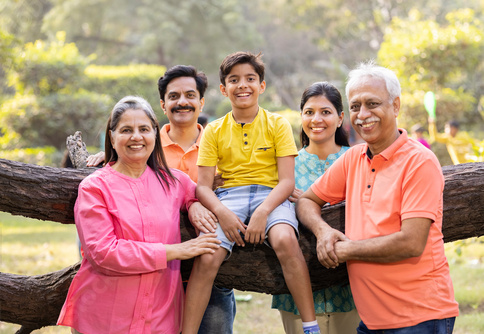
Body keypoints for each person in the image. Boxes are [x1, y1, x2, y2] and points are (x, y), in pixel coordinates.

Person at [297, 62, 459, 333]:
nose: (363, 114)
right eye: (356, 106)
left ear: (395, 106)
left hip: (420, 318)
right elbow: (306, 200)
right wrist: (323, 232)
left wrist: (345, 250)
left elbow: (411, 242)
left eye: (372, 104)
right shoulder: (353, 159)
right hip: (372, 321)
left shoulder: (419, 162)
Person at [86, 65, 237, 333]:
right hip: (139, 285)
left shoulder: (221, 147)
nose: (182, 102)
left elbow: (197, 191)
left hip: (205, 275)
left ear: (201, 102)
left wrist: (195, 203)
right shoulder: (140, 159)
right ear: (163, 104)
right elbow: (102, 249)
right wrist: (110, 157)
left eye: (190, 95)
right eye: (174, 96)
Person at [57, 96, 221, 333]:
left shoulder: (173, 181)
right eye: (126, 130)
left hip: (160, 318)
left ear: (155, 134)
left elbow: (192, 191)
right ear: (112, 138)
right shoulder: (95, 187)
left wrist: (193, 203)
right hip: (105, 319)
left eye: (144, 129)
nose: (136, 136)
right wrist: (177, 251)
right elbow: (102, 252)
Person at [183, 51, 319, 334]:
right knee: (207, 256)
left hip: (271, 195)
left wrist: (263, 212)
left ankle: (310, 326)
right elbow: (203, 187)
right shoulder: (213, 130)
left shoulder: (277, 123)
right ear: (223, 89)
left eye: (250, 79)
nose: (242, 85)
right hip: (229, 197)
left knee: (284, 239)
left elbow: (286, 182)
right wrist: (223, 214)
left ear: (262, 86)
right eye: (234, 80)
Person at [271, 82, 360, 334]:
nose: (316, 119)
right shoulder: (285, 168)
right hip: (297, 298)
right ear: (301, 117)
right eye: (309, 112)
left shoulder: (358, 160)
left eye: (325, 111)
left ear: (341, 117)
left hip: (352, 291)